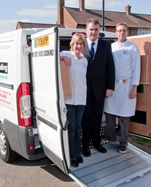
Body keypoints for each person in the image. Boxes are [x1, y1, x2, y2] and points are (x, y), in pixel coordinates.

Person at [104, 22, 141, 153]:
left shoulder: (133, 47)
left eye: (124, 30)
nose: (121, 33)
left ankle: (123, 143)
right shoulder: (112, 47)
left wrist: (134, 88)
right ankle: (111, 136)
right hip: (113, 85)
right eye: (119, 31)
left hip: (127, 85)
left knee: (125, 117)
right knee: (109, 113)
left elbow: (137, 69)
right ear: (116, 32)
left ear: (127, 32)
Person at [82, 18, 115, 157]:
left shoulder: (106, 45)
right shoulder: (80, 44)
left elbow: (110, 67)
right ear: (86, 30)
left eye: (96, 29)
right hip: (83, 90)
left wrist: (110, 87)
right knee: (86, 118)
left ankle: (97, 142)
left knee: (97, 118)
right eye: (91, 29)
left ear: (99, 30)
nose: (93, 32)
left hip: (100, 89)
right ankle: (85, 145)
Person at [60, 33, 88, 167]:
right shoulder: (67, 54)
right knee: (72, 127)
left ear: (83, 46)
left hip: (82, 99)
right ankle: (72, 156)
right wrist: (64, 57)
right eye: (76, 43)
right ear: (72, 44)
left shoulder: (84, 60)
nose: (78, 46)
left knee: (78, 128)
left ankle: (78, 153)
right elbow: (53, 56)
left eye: (81, 44)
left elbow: (83, 80)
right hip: (70, 100)